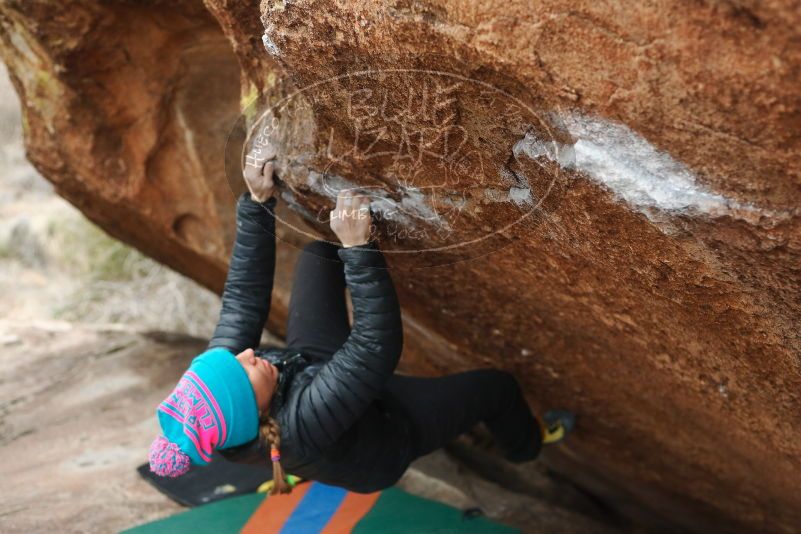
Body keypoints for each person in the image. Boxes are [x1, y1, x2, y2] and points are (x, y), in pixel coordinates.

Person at [148, 139, 575, 494]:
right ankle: (527, 446)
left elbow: (242, 299)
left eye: (232, 358)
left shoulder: (222, 382)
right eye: (244, 372)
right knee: (497, 388)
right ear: (255, 415)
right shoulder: (301, 426)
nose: (245, 354)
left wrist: (258, 202)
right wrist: (358, 249)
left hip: (311, 369)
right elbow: (374, 347)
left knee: (320, 255)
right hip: (391, 429)